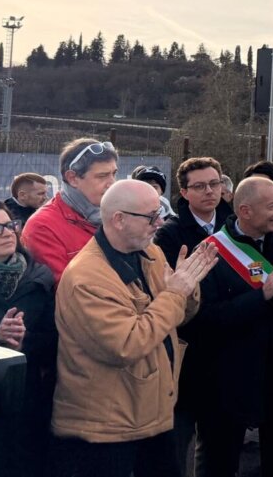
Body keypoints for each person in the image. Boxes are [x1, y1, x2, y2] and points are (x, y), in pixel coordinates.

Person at [51, 180, 216, 477]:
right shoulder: (86, 278)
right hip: (107, 428)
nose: (160, 223)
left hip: (152, 414)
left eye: (160, 213)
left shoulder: (150, 253)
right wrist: (176, 293)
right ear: (119, 219)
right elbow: (127, 345)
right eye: (151, 217)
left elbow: (173, 317)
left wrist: (187, 289)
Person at [185, 176, 273, 477]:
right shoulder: (209, 252)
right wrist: (261, 296)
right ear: (245, 210)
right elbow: (204, 320)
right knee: (218, 461)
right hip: (227, 378)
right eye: (272, 205)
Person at [152, 156, 230, 472]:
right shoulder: (169, 235)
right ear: (184, 193)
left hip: (226, 348)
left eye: (214, 184)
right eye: (199, 186)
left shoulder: (234, 225)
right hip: (188, 347)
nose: (209, 191)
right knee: (177, 443)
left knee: (219, 444)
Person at [0, 201, 56, 477]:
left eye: (10, 225)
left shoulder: (39, 279)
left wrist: (22, 342)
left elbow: (55, 339)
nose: (8, 233)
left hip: (27, 405)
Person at [22, 137, 119, 283]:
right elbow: (66, 289)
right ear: (73, 178)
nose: (112, 183)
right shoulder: (43, 228)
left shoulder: (117, 214)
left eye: (114, 174)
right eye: (102, 176)